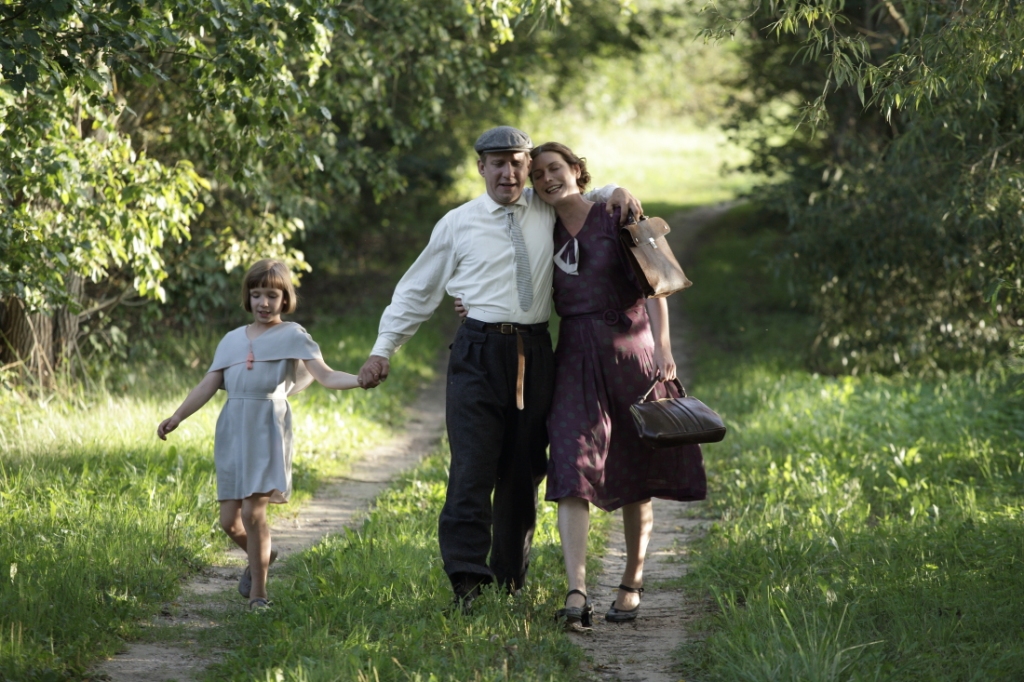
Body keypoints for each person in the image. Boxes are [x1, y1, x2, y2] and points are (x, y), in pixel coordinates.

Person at [357, 126, 641, 611]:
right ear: (481, 168)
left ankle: (509, 579)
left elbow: (583, 194)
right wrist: (383, 349)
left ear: (527, 166)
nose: (508, 172)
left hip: (535, 353)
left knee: (523, 470)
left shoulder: (545, 207)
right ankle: (467, 581)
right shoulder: (458, 223)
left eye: (517, 162)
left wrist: (617, 190)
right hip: (477, 352)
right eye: (498, 163)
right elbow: (417, 289)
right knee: (472, 465)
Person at [528, 142, 707, 629]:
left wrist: (664, 349)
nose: (547, 178)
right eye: (538, 172)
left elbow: (657, 283)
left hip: (633, 352)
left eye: (556, 168)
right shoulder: (536, 229)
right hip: (574, 357)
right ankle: (575, 590)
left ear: (576, 171)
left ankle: (631, 581)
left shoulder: (615, 213)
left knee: (636, 469)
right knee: (570, 464)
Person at [157, 259, 361, 610]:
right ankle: (264, 554)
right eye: (256, 295)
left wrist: (360, 379)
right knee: (229, 521)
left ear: (285, 299)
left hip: (268, 426)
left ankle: (259, 595)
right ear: (248, 299)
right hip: (233, 427)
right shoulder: (232, 340)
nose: (263, 303)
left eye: (271, 295)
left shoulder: (293, 335)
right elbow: (209, 383)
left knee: (254, 514)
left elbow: (325, 375)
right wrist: (178, 415)